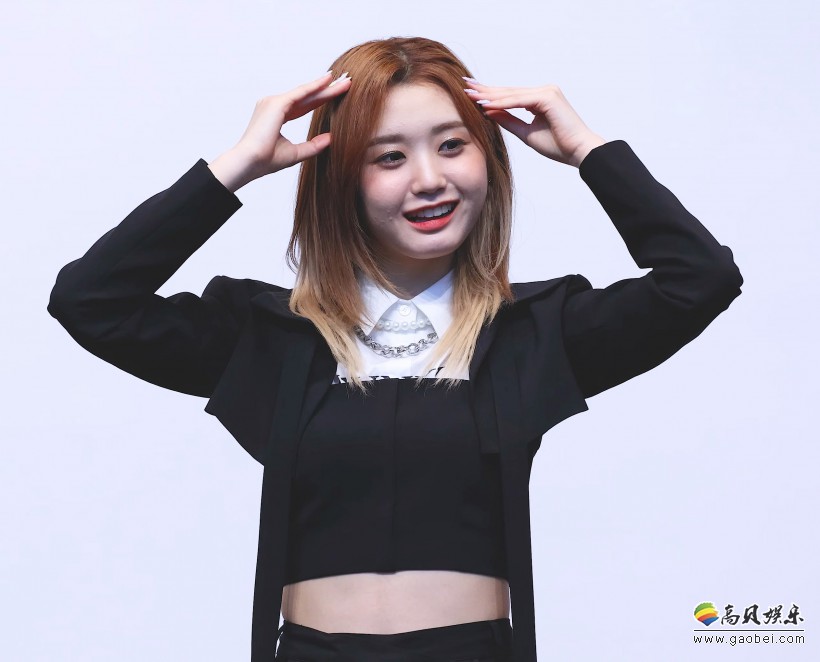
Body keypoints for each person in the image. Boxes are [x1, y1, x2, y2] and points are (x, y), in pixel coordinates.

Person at [47, 36, 743, 662]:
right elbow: (90, 301)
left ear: (490, 157)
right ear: (340, 177)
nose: (429, 179)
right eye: (389, 157)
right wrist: (235, 166)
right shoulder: (268, 335)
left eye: (452, 145)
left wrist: (589, 149)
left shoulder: (535, 331)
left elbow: (700, 280)